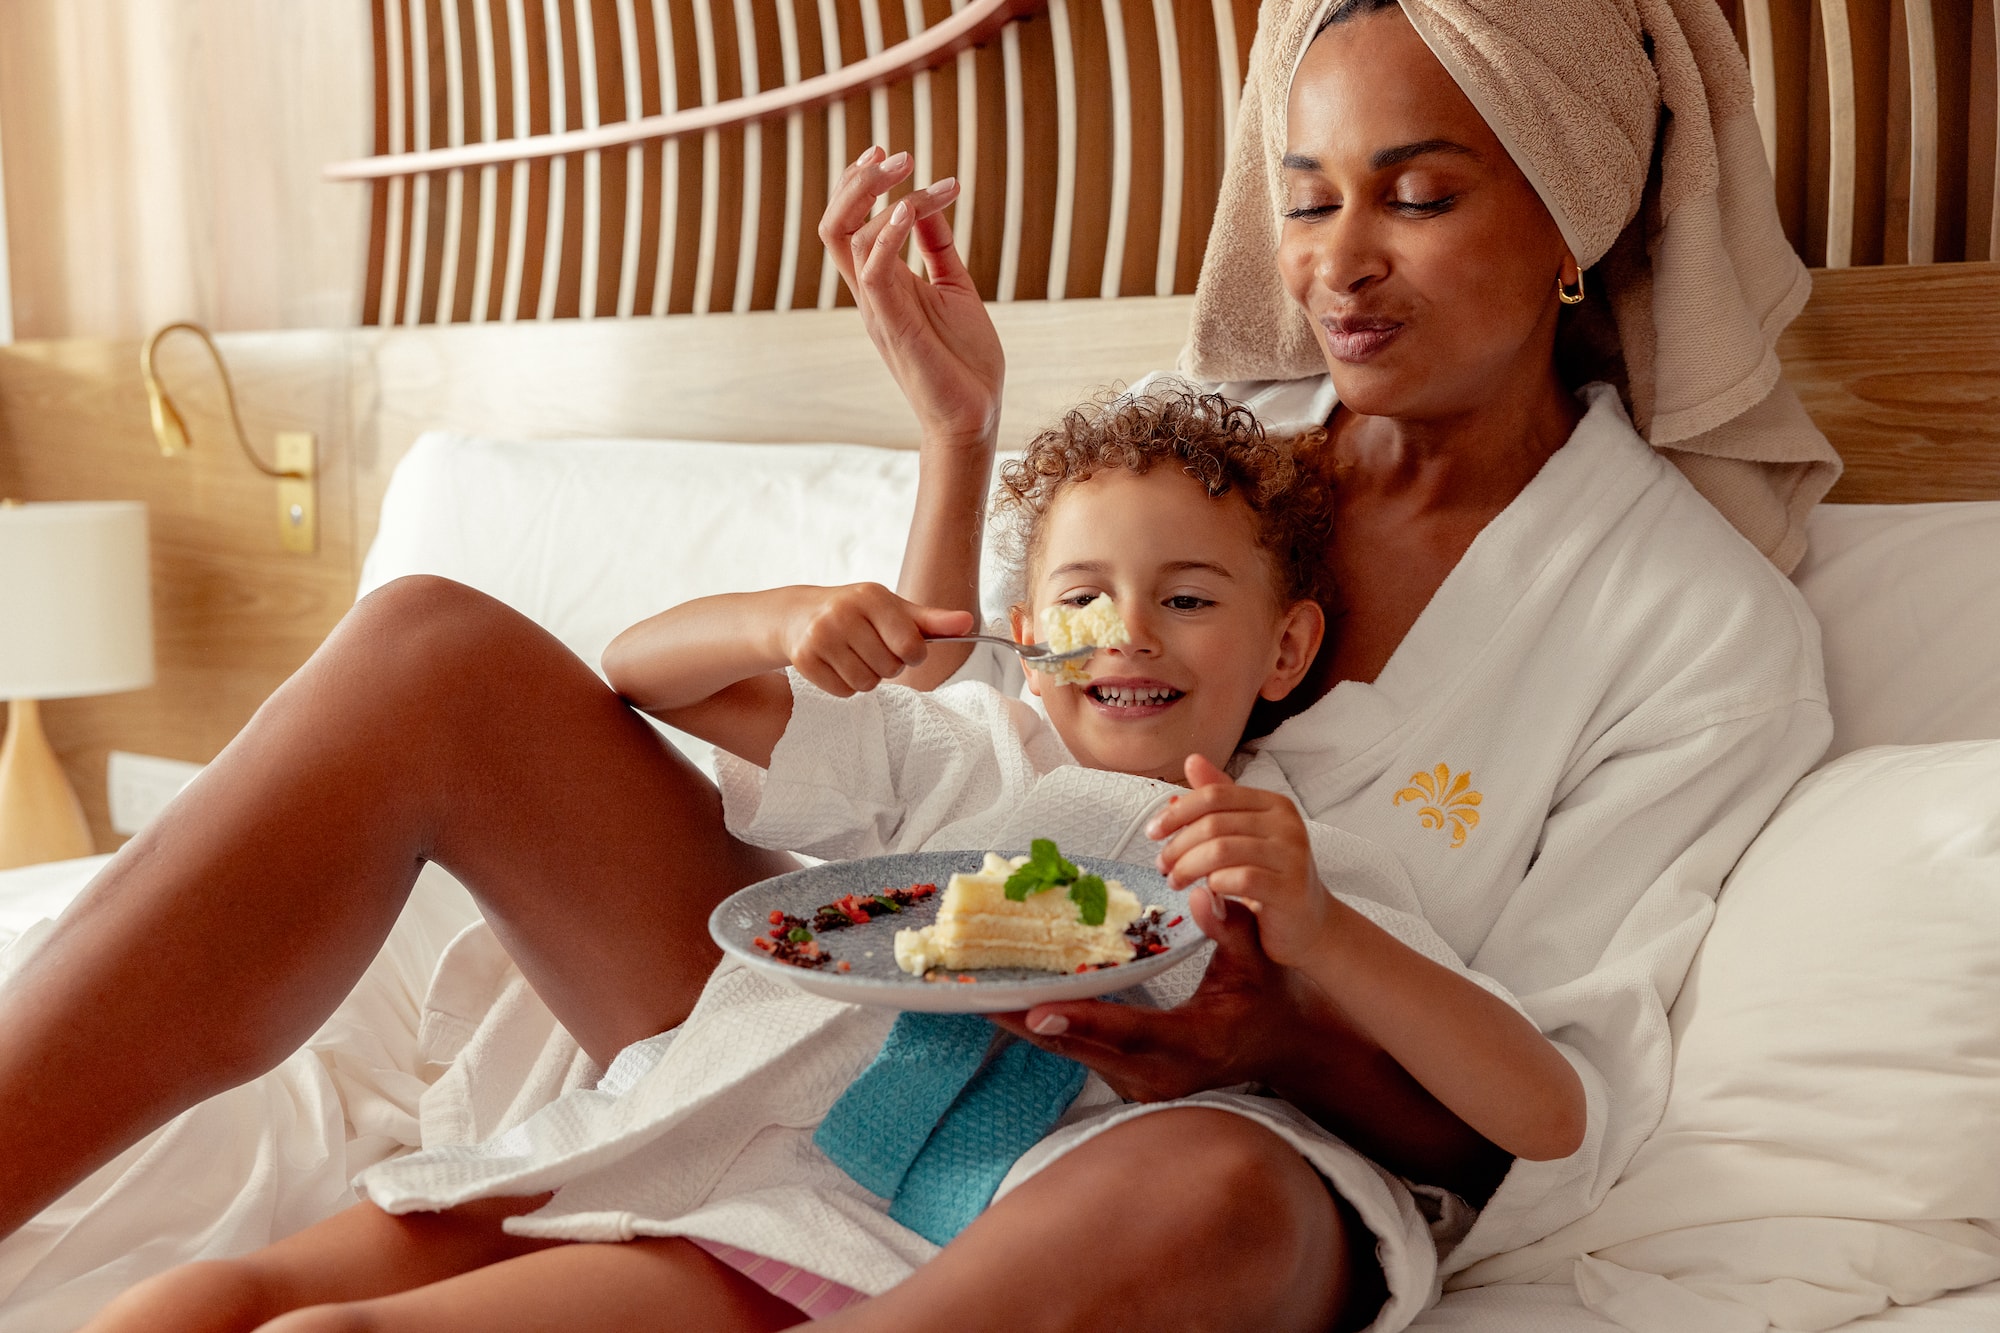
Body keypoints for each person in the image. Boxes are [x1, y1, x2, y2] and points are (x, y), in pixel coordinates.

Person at [0, 1, 1839, 1330]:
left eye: (1416, 199)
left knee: (1209, 1187)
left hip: (1209, 1140)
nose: (1336, 267)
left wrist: (1274, 1021)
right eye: (1305, 195)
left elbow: (1561, 1117)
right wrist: (958, 441)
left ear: (1578, 215)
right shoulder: (1187, 445)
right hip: (879, 1027)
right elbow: (943, 751)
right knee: (425, 646)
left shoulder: (1691, 626)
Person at [81, 387, 1587, 1332]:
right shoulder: (963, 761)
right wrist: (782, 615)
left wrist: (1322, 926)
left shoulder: (1290, 855)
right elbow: (632, 668)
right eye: (1082, 596)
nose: (1126, 633)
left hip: (847, 1221)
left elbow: (1543, 1108)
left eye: (1188, 600)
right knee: (222, 1291)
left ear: (1289, 643)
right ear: (1027, 627)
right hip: (703, 1138)